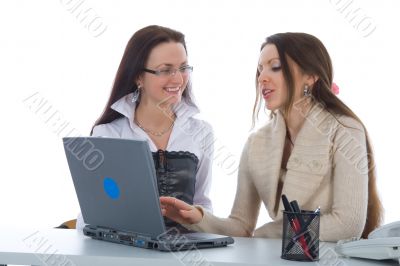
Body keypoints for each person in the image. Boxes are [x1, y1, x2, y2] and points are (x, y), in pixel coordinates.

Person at [160, 32, 383, 241]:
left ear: (311, 76)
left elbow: (348, 224)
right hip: (282, 259)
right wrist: (197, 218)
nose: (262, 78)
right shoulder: (256, 142)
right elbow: (241, 225)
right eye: (260, 70)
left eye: (275, 67)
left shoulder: (344, 130)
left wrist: (269, 233)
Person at [76, 25, 214, 230]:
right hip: (125, 254)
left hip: (186, 254)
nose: (178, 79)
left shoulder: (201, 132)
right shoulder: (108, 134)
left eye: (183, 68)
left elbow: (203, 204)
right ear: (138, 77)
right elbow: (94, 213)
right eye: (166, 70)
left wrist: (199, 217)